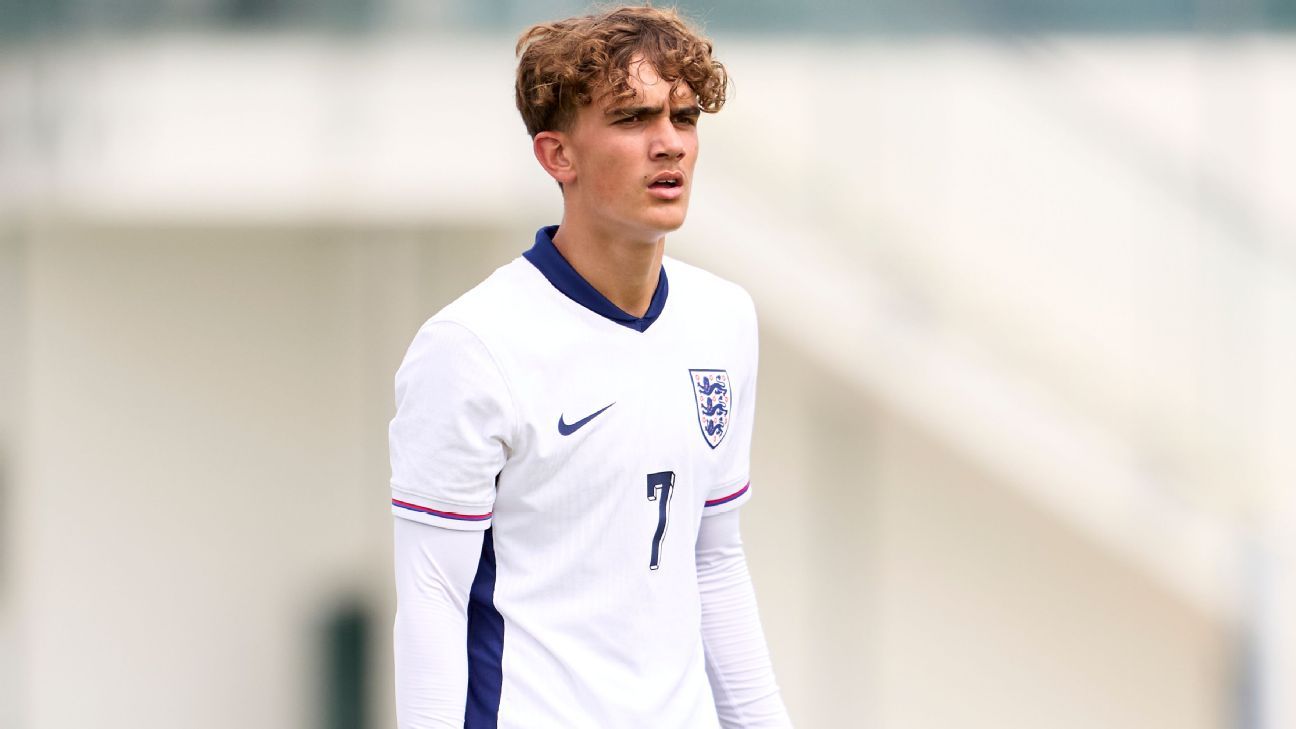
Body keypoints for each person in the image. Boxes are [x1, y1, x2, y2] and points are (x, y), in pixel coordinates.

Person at [389, 6, 791, 727]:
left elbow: (715, 561)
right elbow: (431, 598)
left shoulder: (724, 318)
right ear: (557, 156)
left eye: (685, 117)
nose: (669, 144)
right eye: (633, 119)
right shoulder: (470, 346)